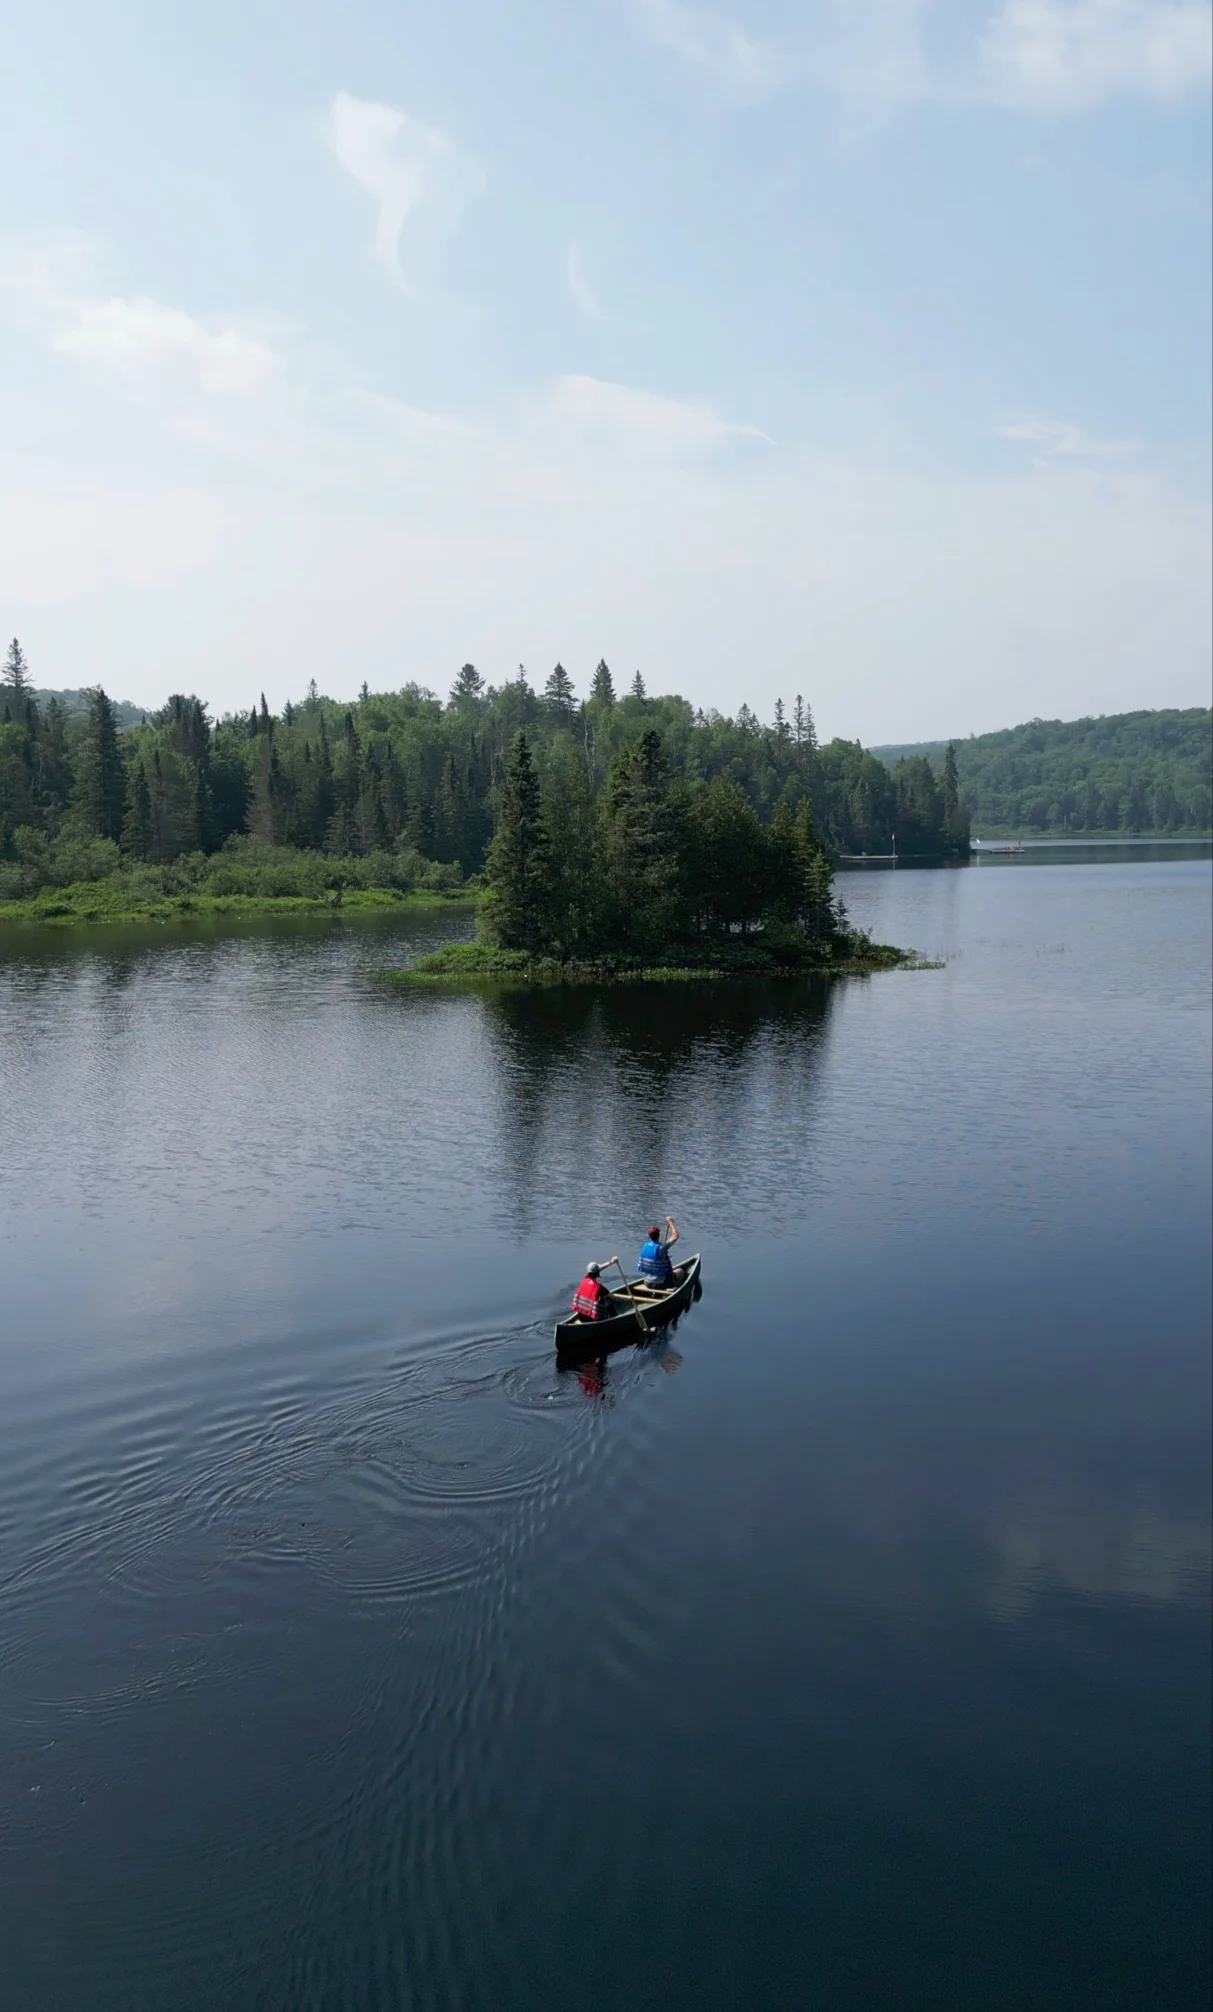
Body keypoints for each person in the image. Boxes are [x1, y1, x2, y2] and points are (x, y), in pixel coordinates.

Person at [571, 1258, 619, 1322]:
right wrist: (631, 1298)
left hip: (581, 1318)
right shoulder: (599, 1287)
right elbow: (616, 1297)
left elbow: (598, 1269)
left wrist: (611, 1262)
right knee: (609, 1305)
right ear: (597, 1273)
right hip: (591, 1319)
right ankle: (616, 1321)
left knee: (603, 1300)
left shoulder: (585, 1280)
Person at [637, 1216, 679, 1288]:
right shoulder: (661, 1247)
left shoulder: (645, 1245)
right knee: (680, 1271)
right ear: (659, 1235)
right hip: (662, 1283)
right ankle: (673, 1287)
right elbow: (675, 1236)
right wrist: (670, 1222)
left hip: (647, 1282)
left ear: (649, 1236)